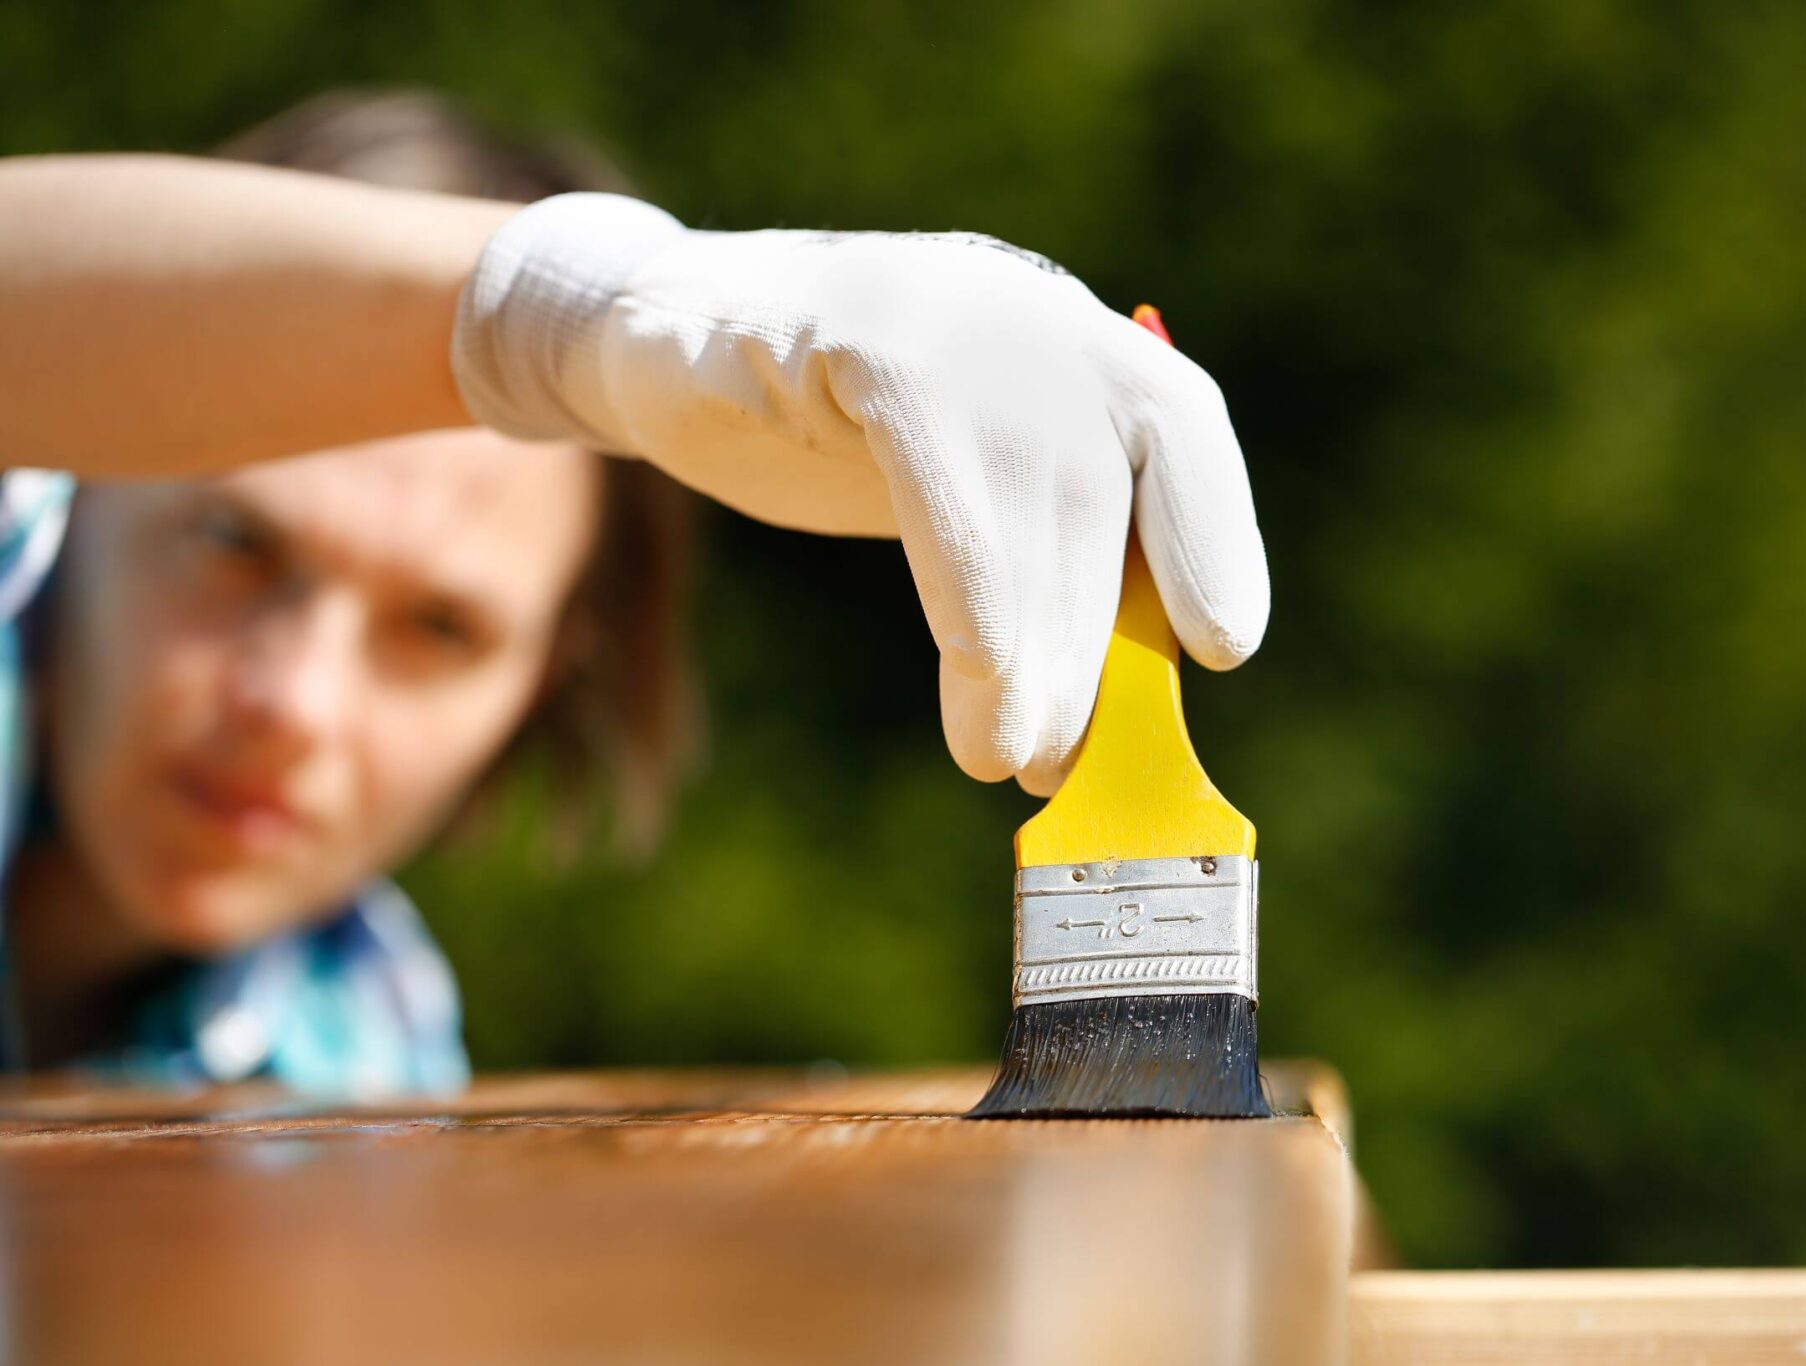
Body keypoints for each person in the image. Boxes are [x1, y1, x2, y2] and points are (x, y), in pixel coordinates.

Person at [0, 91, 1269, 1095]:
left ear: (551, 670)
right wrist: (565, 320)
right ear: (79, 466)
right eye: (235, 545)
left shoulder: (365, 1050)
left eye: (441, 627)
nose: (294, 702)